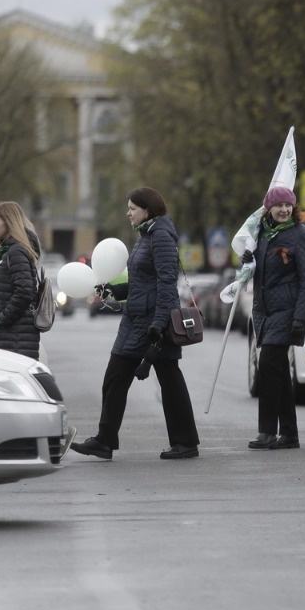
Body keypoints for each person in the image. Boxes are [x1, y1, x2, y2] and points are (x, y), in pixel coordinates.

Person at [71, 187, 201, 461]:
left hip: (154, 320)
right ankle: (105, 441)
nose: (128, 212)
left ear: (147, 209)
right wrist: (115, 292)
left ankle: (185, 442)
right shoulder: (145, 236)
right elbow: (141, 282)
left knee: (169, 380)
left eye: (132, 207)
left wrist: (159, 323)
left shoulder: (162, 237)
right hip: (136, 318)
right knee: (115, 378)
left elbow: (167, 283)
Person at [244, 187, 305, 450]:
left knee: (268, 366)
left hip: (288, 312)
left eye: (288, 205)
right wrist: (247, 260)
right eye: (278, 205)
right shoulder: (261, 235)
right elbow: (258, 273)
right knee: (280, 372)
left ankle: (266, 432)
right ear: (269, 208)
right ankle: (290, 434)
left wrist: (301, 319)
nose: (283, 210)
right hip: (264, 312)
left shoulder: (301, 236)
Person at [0, 201, 42, 360]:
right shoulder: (9, 251)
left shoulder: (16, 252)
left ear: (9, 222)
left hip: (14, 338)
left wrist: (2, 318)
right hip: (10, 338)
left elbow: (25, 291)